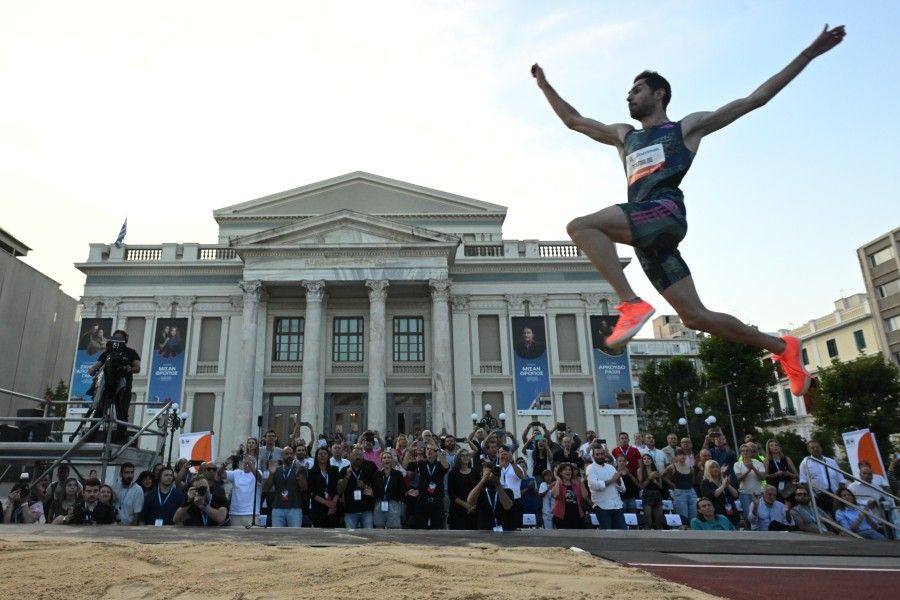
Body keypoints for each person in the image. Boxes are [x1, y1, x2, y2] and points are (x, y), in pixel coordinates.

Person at [529, 26, 848, 399]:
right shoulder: (624, 136)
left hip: (663, 211)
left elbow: (755, 99)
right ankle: (782, 348)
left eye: (636, 90)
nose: (629, 97)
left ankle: (630, 303)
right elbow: (575, 121)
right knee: (695, 317)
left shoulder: (686, 128)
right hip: (648, 238)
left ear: (658, 93)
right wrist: (545, 87)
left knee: (582, 227)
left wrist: (808, 54)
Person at [87, 329, 141, 442]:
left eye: (120, 337)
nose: (117, 340)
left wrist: (128, 368)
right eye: (115, 337)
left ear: (125, 339)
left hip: (123, 387)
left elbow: (137, 368)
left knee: (122, 413)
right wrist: (92, 369)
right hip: (107, 386)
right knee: (99, 411)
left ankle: (121, 438)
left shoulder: (131, 352)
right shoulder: (108, 352)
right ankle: (91, 436)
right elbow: (98, 364)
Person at [264, 446, 308, 528]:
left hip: (295, 508)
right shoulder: (276, 469)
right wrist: (271, 474)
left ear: (294, 455)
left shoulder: (300, 468)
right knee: (277, 536)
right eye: (286, 454)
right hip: (278, 508)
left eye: (291, 454)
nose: (289, 456)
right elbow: (266, 488)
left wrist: (299, 476)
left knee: (295, 535)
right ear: (281, 456)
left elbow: (304, 487)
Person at [798, 440, 844, 514]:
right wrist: (812, 496)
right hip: (818, 497)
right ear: (809, 450)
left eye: (817, 447)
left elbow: (841, 480)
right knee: (826, 521)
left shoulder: (831, 461)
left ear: (821, 448)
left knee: (839, 518)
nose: (815, 449)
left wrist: (839, 494)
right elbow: (803, 482)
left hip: (836, 495)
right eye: (812, 448)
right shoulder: (805, 463)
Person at [338, 446, 378, 529]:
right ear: (350, 456)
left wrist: (364, 486)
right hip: (350, 511)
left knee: (369, 536)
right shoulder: (344, 470)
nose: (358, 457)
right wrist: (347, 477)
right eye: (355, 455)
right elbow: (339, 490)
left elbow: (375, 489)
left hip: (366, 510)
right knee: (351, 538)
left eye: (360, 455)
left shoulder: (368, 471)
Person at [586, 447, 626, 529]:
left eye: (602, 454)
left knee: (622, 534)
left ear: (605, 454)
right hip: (602, 506)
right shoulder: (590, 468)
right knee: (608, 536)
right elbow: (595, 486)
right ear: (593, 456)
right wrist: (612, 480)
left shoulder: (611, 467)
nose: (600, 456)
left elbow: (622, 489)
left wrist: (618, 478)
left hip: (617, 505)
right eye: (597, 454)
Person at [466, 462, 515, 531]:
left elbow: (507, 506)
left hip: (505, 532)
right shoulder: (480, 492)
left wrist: (497, 484)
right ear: (481, 474)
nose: (490, 476)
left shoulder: (508, 491)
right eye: (487, 474)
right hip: (485, 532)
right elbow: (470, 502)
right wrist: (483, 481)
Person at [411, 445, 449, 529]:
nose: (429, 451)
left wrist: (438, 450)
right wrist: (409, 450)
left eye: (432, 449)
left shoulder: (440, 465)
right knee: (420, 527)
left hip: (437, 501)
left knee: (438, 527)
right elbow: (405, 465)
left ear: (436, 453)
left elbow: (446, 466)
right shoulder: (421, 463)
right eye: (427, 449)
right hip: (423, 500)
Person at [372, 451, 408, 529]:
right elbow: (374, 491)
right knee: (379, 530)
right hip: (379, 504)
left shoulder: (398, 474)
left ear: (392, 460)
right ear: (381, 461)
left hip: (393, 504)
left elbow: (402, 490)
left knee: (394, 531)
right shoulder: (376, 475)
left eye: (389, 457)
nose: (386, 459)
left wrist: (407, 493)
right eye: (384, 458)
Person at [223, 455, 262, 527]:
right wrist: (224, 465)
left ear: (254, 463)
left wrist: (250, 464)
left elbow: (259, 478)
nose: (246, 463)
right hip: (235, 514)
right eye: (245, 461)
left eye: (249, 461)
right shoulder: (236, 473)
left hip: (251, 514)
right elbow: (221, 475)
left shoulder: (258, 472)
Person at [734, 443, 767, 527]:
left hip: (758, 493)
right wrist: (749, 470)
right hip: (745, 494)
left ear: (751, 452)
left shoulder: (759, 463)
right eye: (743, 451)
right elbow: (739, 479)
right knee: (747, 516)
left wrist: (753, 468)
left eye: (747, 450)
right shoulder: (737, 464)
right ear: (741, 453)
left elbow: (763, 477)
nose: (745, 452)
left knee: (760, 514)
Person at [664, 448, 698, 527]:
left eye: (683, 454)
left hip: (691, 492)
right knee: (683, 517)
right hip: (679, 492)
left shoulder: (691, 467)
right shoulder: (672, 467)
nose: (682, 456)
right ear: (676, 457)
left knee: (694, 516)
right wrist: (673, 485)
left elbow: (692, 480)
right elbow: (663, 476)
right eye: (679, 455)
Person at [307, 447, 341, 528]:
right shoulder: (312, 472)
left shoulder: (334, 470)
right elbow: (312, 492)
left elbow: (338, 489)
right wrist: (327, 503)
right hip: (318, 508)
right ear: (316, 457)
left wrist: (333, 504)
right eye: (320, 454)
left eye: (325, 454)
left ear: (328, 456)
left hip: (333, 508)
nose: (323, 456)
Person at [448, 448, 480, 530]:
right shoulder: (452, 473)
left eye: (467, 455)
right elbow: (451, 494)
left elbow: (480, 491)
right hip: (457, 510)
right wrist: (466, 505)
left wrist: (472, 506)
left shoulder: (475, 472)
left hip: (473, 509)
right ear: (458, 458)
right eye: (462, 455)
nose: (466, 457)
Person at [700, 460, 739, 525]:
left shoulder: (723, 480)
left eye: (717, 467)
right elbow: (713, 495)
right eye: (712, 467)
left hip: (731, 511)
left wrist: (727, 484)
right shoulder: (705, 482)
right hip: (718, 512)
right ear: (707, 469)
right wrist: (723, 486)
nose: (715, 469)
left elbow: (736, 495)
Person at [550, 462, 587, 529]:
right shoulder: (556, 484)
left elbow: (585, 496)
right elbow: (555, 495)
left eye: (569, 470)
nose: (568, 471)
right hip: (561, 517)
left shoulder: (577, 484)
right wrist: (558, 480)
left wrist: (581, 482)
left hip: (577, 516)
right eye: (565, 470)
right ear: (560, 473)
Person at [764, 439, 798, 504]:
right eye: (772, 446)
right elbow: (765, 477)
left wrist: (789, 474)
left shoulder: (787, 459)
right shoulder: (767, 461)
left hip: (789, 488)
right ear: (768, 449)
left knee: (794, 506)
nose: (775, 447)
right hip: (775, 490)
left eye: (776, 445)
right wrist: (776, 474)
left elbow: (797, 475)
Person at [638, 453, 666, 529]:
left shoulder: (656, 471)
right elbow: (642, 486)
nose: (646, 460)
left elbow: (661, 486)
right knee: (648, 521)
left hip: (657, 494)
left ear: (651, 460)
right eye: (644, 459)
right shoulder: (640, 470)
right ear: (642, 461)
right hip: (647, 494)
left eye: (648, 458)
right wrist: (650, 478)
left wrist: (655, 481)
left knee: (659, 521)